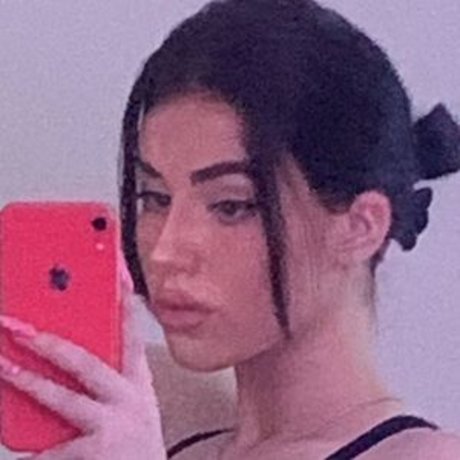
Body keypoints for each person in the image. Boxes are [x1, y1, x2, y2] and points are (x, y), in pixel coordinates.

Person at [0, 0, 459, 458]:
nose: (164, 250)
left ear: (360, 227)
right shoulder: (157, 424)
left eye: (230, 207)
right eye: (154, 198)